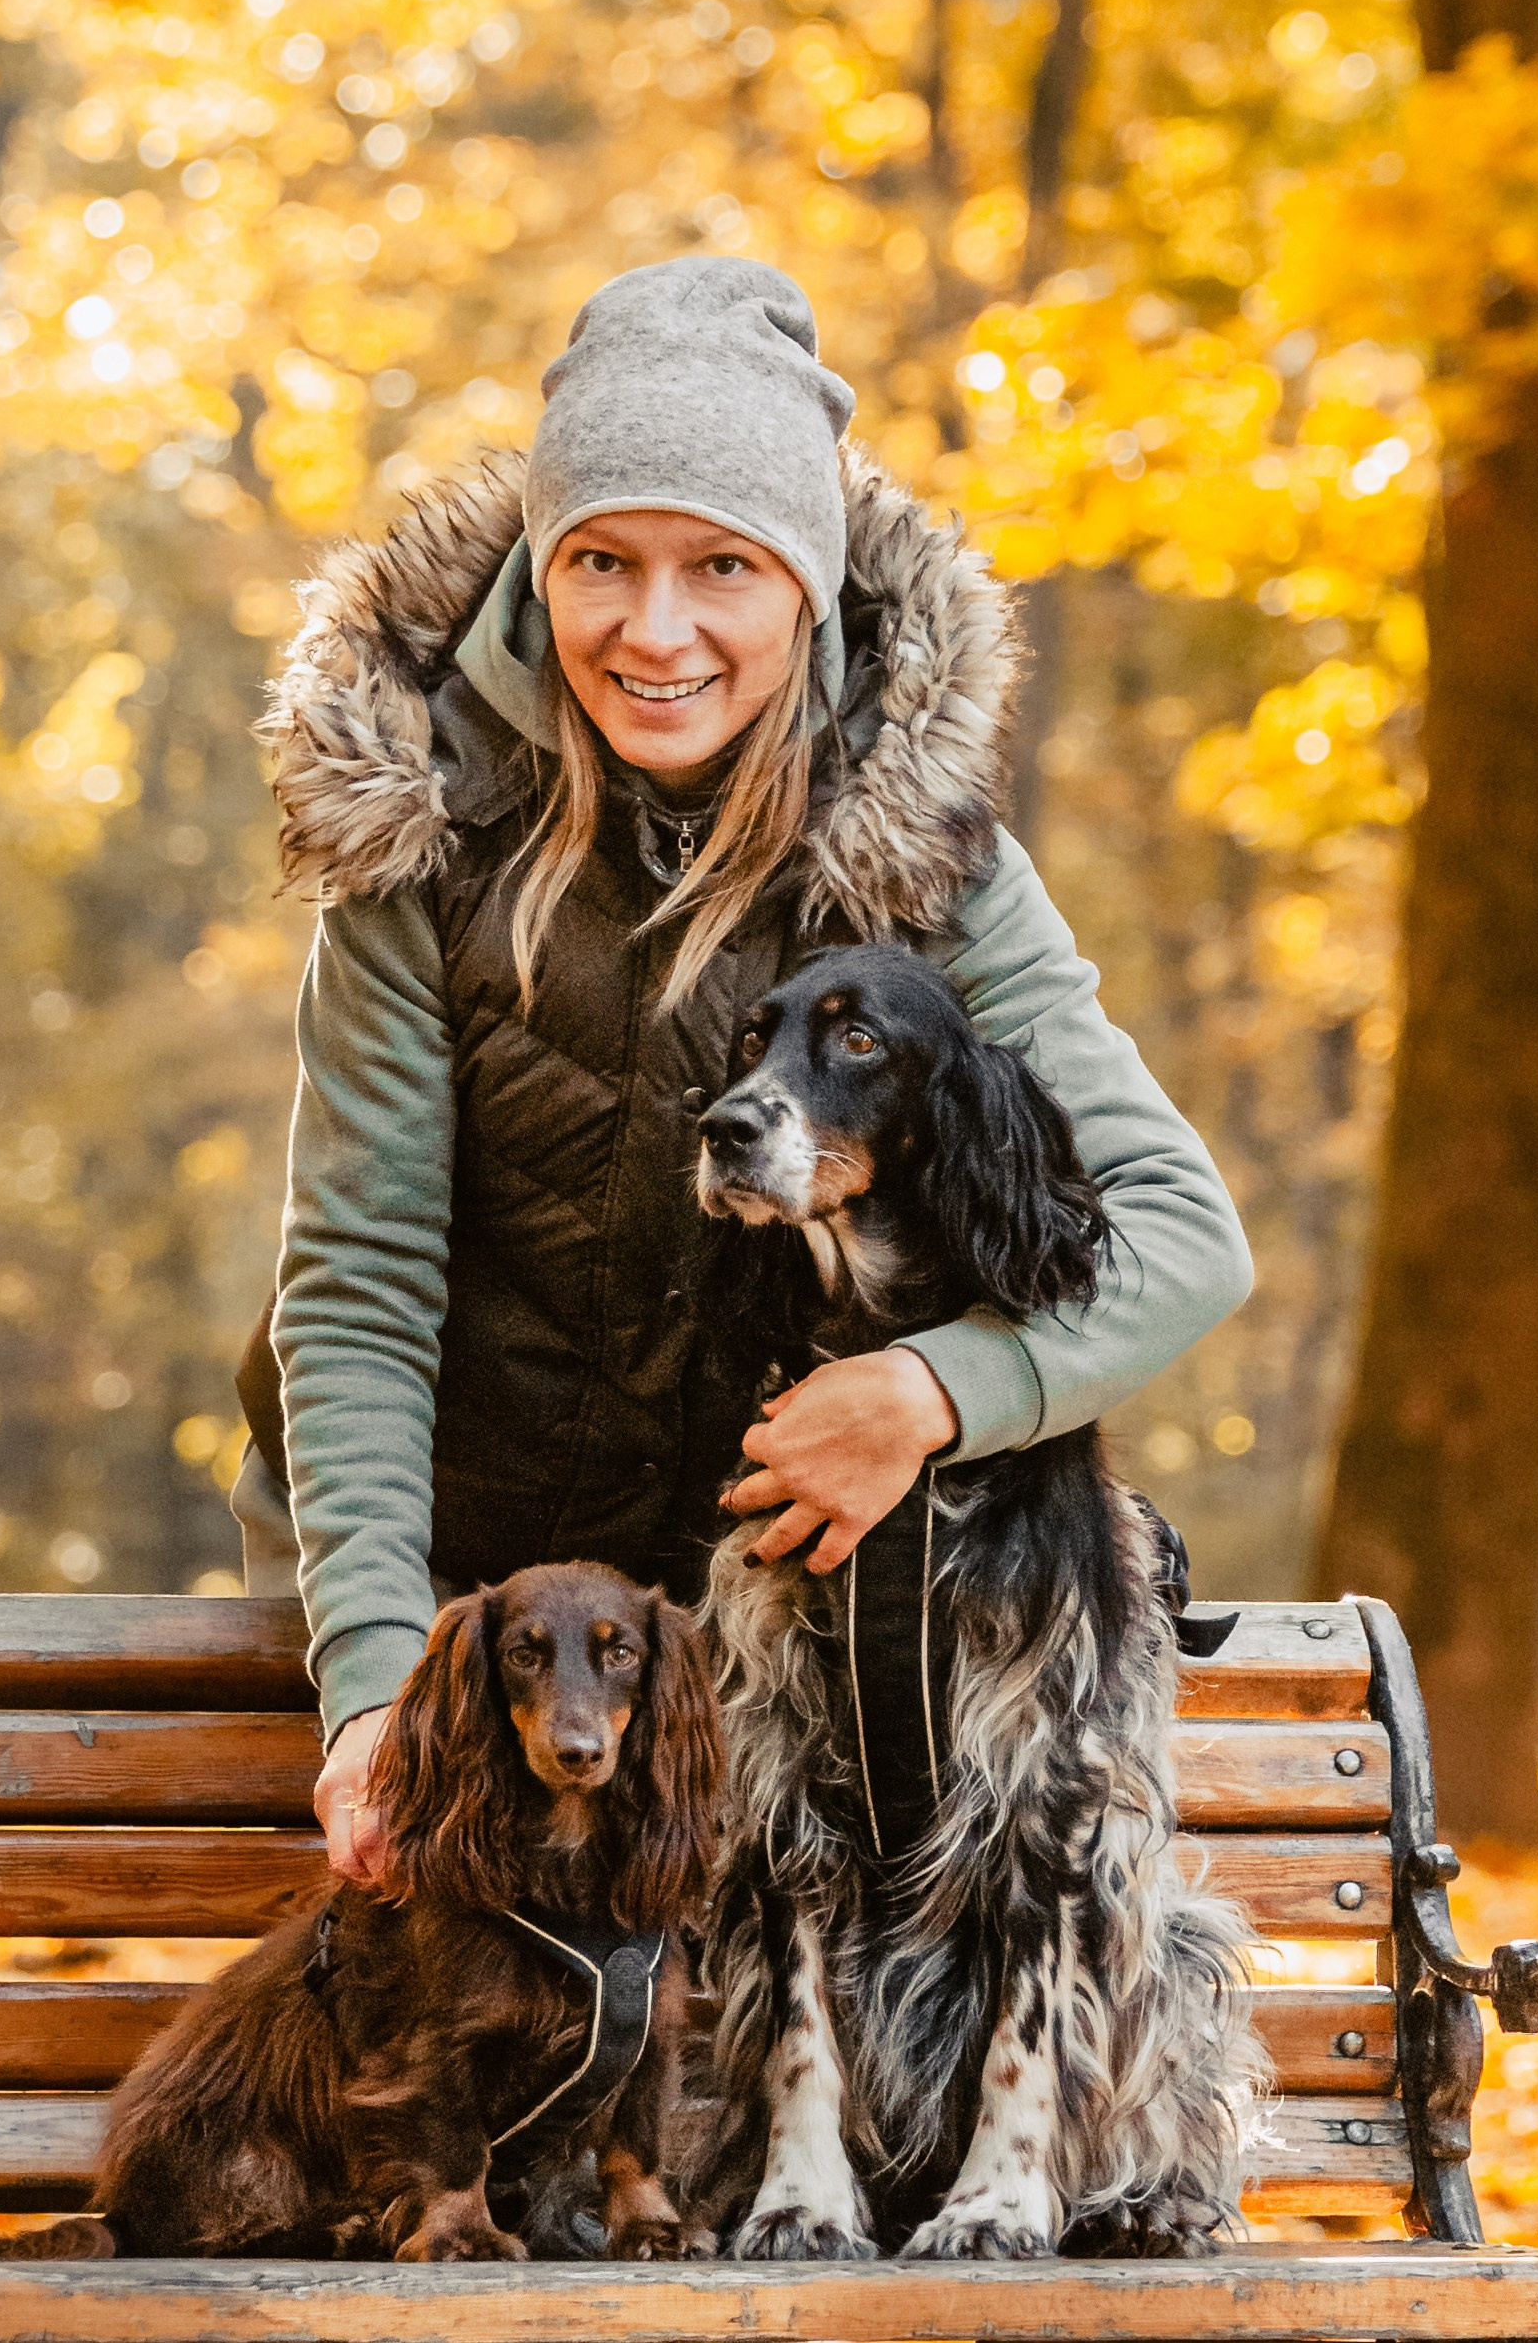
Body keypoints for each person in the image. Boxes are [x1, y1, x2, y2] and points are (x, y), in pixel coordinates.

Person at [232, 258, 1252, 1881]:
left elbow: (1184, 1235)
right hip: (455, 1603)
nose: (657, 629)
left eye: (723, 564)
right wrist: (370, 1679)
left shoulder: (922, 851)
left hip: (744, 1626)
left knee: (742, 2023)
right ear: (541, 566)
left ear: (808, 584)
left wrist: (932, 1394)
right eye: (602, 560)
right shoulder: (414, 825)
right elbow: (359, 1280)